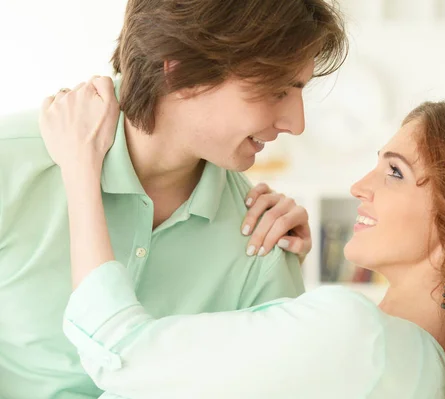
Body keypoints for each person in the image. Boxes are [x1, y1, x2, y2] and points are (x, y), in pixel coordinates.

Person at [40, 79, 445, 399]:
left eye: (394, 172)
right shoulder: (434, 371)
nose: (361, 185)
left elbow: (119, 352)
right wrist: (287, 280)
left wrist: (79, 170)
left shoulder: (357, 335)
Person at [0, 0, 347, 397]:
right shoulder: (11, 164)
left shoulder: (262, 238)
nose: (296, 124)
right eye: (276, 90)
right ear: (181, 70)